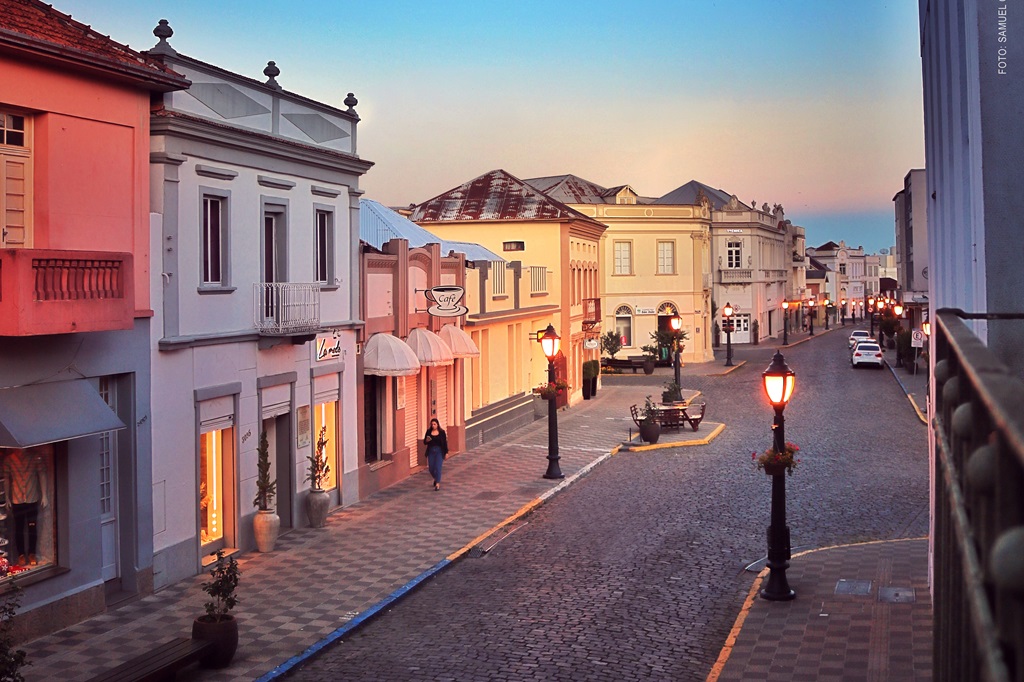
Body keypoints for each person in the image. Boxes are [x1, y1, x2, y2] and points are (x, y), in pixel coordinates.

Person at [423, 418, 449, 491]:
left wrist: (446, 452)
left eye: (434, 424)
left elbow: (444, 443)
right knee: (431, 468)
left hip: (439, 451)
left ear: (437, 424)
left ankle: (437, 483)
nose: (433, 426)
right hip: (431, 451)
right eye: (432, 424)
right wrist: (427, 440)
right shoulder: (428, 432)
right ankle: (436, 478)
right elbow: (425, 442)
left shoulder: (442, 432)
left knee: (438, 467)